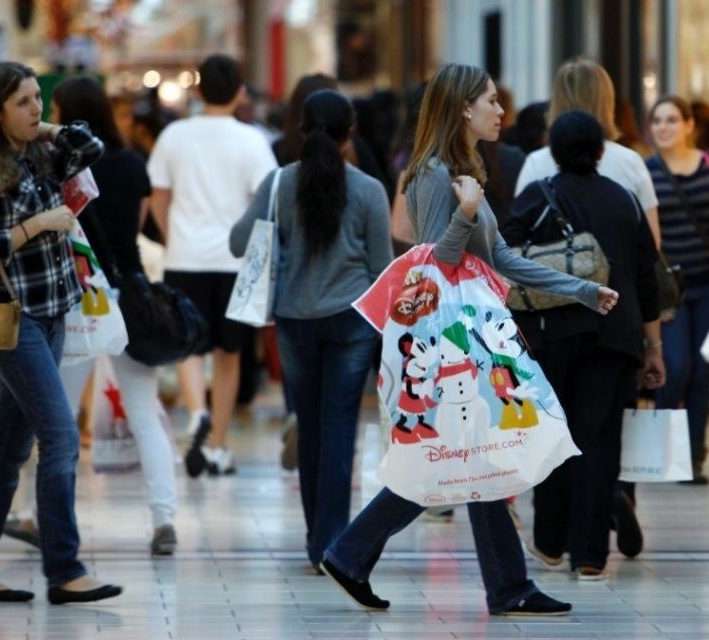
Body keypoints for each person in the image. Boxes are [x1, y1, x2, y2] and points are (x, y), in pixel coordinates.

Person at [320, 63, 619, 617]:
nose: (501, 111)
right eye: (490, 102)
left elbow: (501, 257)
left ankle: (364, 556)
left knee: (474, 456)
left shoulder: (462, 167)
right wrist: (465, 211)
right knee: (464, 455)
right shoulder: (432, 173)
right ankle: (361, 554)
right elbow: (438, 258)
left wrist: (581, 289)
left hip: (471, 328)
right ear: (463, 108)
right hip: (450, 337)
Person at [0, 61, 120, 604]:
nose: (36, 109)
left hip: (52, 311)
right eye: (23, 102)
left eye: (36, 99)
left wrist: (46, 130)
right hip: (12, 318)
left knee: (8, 450)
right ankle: (64, 570)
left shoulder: (40, 152)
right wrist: (37, 225)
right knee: (61, 436)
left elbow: (91, 148)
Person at [5, 76, 179, 556]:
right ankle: (164, 520)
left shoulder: (58, 169)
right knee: (145, 413)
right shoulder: (131, 165)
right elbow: (139, 229)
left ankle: (39, 516)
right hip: (131, 300)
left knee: (57, 414)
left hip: (80, 296)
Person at [230, 89, 392, 573]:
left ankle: (314, 541)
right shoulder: (368, 190)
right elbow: (382, 267)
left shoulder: (279, 184)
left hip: (295, 319)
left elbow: (239, 241)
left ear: (301, 132)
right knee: (341, 428)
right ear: (350, 133)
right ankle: (332, 544)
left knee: (311, 426)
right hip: (352, 320)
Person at [502, 111, 664, 580]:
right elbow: (646, 280)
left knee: (554, 436)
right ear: (600, 150)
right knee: (599, 440)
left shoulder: (537, 197)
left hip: (551, 336)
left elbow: (505, 259)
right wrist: (653, 347)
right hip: (616, 335)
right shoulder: (624, 200)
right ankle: (591, 554)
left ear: (554, 151)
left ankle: (551, 542)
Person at [148, 54, 278, 477]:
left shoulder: (174, 135)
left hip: (184, 255)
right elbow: (266, 204)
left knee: (189, 347)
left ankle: (197, 415)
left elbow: (159, 196)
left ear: (198, 90)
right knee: (230, 352)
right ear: (241, 91)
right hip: (235, 261)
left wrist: (171, 238)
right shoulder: (253, 140)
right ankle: (219, 442)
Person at [645, 95, 709, 485]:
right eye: (657, 121)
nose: (663, 128)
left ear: (688, 125)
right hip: (670, 289)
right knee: (676, 366)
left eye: (671, 120)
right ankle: (666, 453)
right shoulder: (646, 170)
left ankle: (694, 456)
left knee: (702, 371)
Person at [515, 59, 660, 249]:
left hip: (553, 276)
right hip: (619, 276)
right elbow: (652, 242)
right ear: (607, 102)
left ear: (557, 101)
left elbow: (517, 240)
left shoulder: (536, 162)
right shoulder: (630, 162)